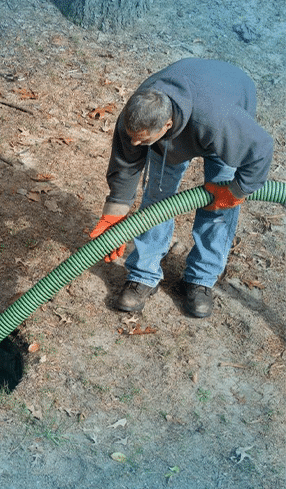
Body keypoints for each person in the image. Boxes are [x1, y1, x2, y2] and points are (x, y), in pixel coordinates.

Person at [90, 58, 273, 318]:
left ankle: (201, 279)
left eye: (141, 139)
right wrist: (115, 211)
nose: (133, 142)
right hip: (192, 106)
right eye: (132, 136)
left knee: (218, 207)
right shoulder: (137, 116)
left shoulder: (219, 121)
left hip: (226, 98)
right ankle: (144, 274)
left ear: (166, 125)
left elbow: (261, 150)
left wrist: (236, 192)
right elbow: (126, 163)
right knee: (157, 198)